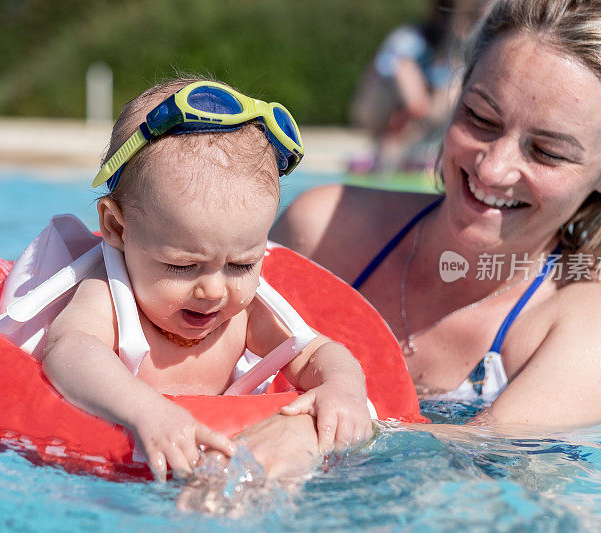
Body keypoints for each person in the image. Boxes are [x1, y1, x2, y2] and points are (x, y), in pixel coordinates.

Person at [218, 0, 601, 481]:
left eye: (547, 152)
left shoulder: (600, 317)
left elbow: (487, 455)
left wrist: (317, 433)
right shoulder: (324, 229)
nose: (492, 168)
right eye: (480, 118)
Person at [38, 78, 372, 481]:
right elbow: (69, 350)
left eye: (242, 265)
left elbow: (319, 353)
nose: (214, 290)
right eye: (183, 266)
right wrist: (145, 410)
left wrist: (343, 387)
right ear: (116, 226)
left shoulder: (245, 314)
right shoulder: (108, 293)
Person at [348, 0, 485, 173]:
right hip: (384, 107)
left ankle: (397, 155)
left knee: (454, 88)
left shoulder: (458, 54)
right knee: (406, 73)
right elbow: (403, 81)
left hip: (417, 124)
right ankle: (395, 155)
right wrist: (415, 107)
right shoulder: (410, 38)